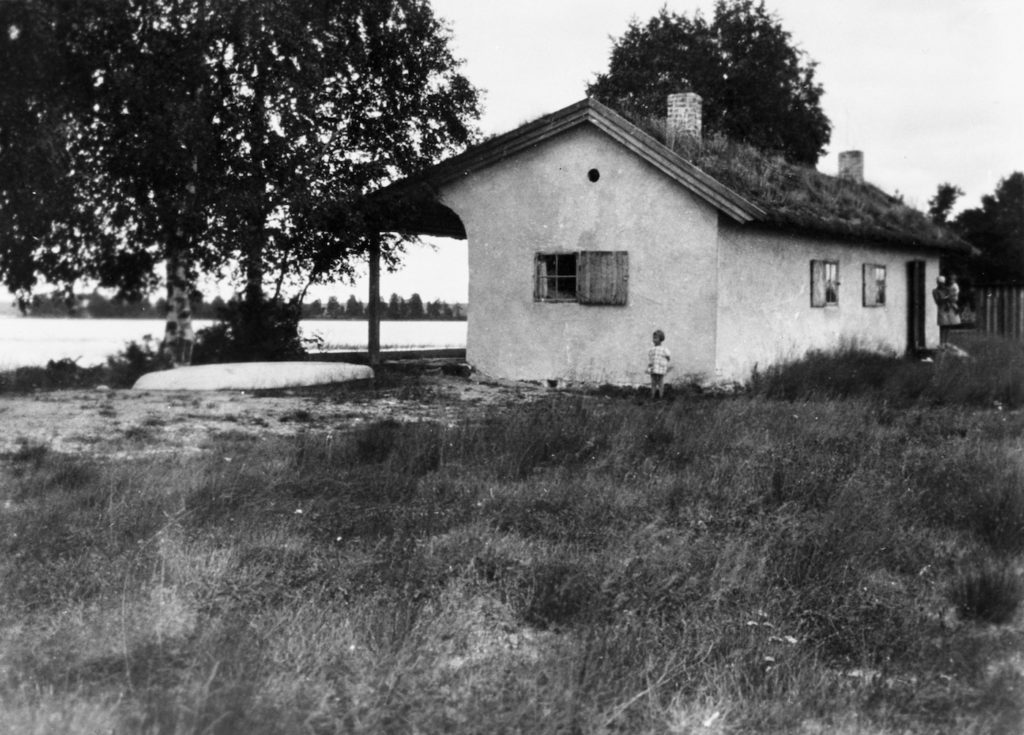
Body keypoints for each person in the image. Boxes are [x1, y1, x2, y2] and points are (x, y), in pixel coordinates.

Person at [932, 276, 960, 346]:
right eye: (940, 283)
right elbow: (938, 301)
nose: (942, 284)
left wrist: (953, 304)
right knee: (943, 325)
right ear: (937, 283)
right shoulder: (935, 291)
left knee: (948, 325)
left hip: (949, 307)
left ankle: (946, 342)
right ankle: (942, 342)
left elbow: (953, 297)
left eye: (943, 283)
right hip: (942, 308)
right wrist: (947, 298)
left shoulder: (947, 289)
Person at [646, 329, 671, 399]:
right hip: (654, 367)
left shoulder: (664, 349)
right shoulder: (652, 349)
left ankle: (661, 396)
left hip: (660, 367)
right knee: (653, 382)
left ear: (661, 339)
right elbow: (651, 359)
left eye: (656, 338)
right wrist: (649, 366)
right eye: (653, 338)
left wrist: (664, 361)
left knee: (660, 382)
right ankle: (652, 396)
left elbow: (668, 357)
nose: (654, 340)